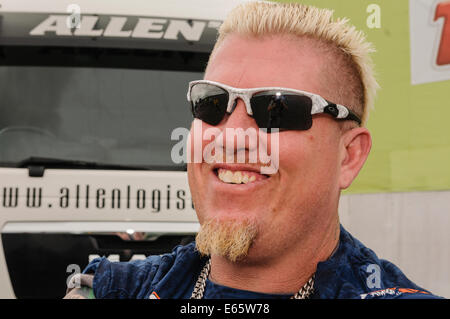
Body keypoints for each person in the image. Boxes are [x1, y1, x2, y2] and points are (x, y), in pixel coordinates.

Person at [64, 1, 442, 299]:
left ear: (349, 156)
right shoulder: (107, 289)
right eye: (211, 104)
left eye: (276, 109)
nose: (230, 136)